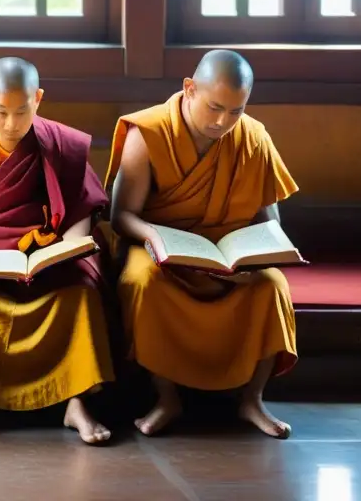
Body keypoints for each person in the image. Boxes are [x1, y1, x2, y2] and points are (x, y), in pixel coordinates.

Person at [106, 49, 298, 438]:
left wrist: (258, 257)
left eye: (235, 111)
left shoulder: (254, 137)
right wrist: (154, 237)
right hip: (162, 251)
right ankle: (166, 397)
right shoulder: (150, 131)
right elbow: (121, 215)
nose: (223, 121)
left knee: (273, 285)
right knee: (142, 283)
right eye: (214, 107)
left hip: (227, 254)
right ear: (189, 89)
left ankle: (252, 400)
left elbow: (270, 220)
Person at [0, 57, 114, 444]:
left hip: (52, 260)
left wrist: (70, 248)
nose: (12, 124)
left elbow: (82, 210)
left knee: (81, 294)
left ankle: (76, 402)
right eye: (1, 113)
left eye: (22, 111)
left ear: (39, 99)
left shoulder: (63, 144)